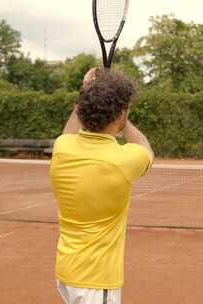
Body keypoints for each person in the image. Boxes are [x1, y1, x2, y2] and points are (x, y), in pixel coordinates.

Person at [50, 67, 154, 304]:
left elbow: (69, 130)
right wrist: (123, 114)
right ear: (120, 114)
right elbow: (146, 149)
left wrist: (86, 93)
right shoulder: (123, 160)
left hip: (67, 272)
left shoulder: (62, 149)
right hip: (96, 281)